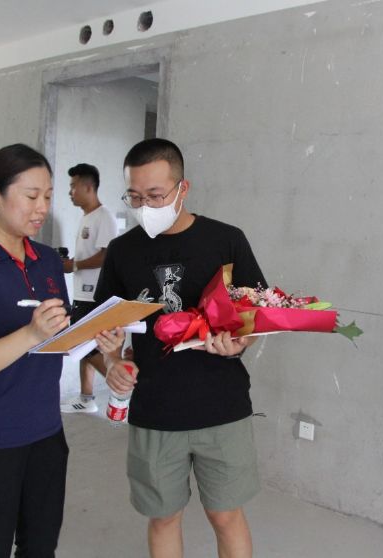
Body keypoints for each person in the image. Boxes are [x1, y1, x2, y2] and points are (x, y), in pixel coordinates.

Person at [0, 143, 122, 557]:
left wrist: (106, 354)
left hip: (44, 433)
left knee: (40, 547)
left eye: (49, 196)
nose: (42, 208)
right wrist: (29, 334)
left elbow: (63, 336)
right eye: (31, 196)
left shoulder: (46, 260)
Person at [95, 138, 267, 558]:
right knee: (163, 517)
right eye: (134, 196)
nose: (144, 206)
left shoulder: (226, 240)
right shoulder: (121, 251)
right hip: (155, 409)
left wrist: (238, 343)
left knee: (225, 515)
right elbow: (103, 329)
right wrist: (112, 362)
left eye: (155, 195)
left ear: (182, 188)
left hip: (221, 406)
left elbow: (259, 315)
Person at [60, 163, 119, 414]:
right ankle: (86, 398)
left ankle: (122, 385)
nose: (70, 192)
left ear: (88, 187)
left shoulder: (104, 216)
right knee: (85, 348)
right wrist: (71, 263)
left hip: (95, 293)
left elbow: (107, 256)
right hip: (82, 292)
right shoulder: (87, 217)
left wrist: (73, 265)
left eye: (73, 186)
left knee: (82, 344)